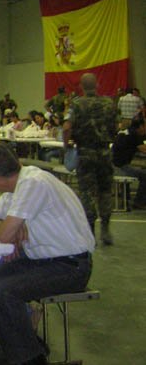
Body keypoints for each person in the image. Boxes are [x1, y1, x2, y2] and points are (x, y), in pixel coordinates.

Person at [0, 143, 94, 365]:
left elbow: (4, 235)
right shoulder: (14, 189)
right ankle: (25, 348)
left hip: (71, 266)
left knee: (4, 291)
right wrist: (7, 226)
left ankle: (31, 363)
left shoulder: (33, 183)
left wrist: (9, 228)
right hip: (40, 261)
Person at [63, 72, 118, 244]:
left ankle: (90, 230)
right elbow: (116, 126)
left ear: (81, 86)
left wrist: (67, 145)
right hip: (104, 152)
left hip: (85, 153)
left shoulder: (76, 105)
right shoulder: (109, 103)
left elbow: (66, 127)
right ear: (97, 85)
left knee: (87, 192)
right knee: (105, 191)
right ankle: (106, 229)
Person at [111, 114, 146, 209]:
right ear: (140, 126)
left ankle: (127, 199)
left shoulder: (127, 131)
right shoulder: (134, 134)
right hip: (119, 167)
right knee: (144, 175)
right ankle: (139, 202)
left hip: (114, 165)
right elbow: (143, 149)